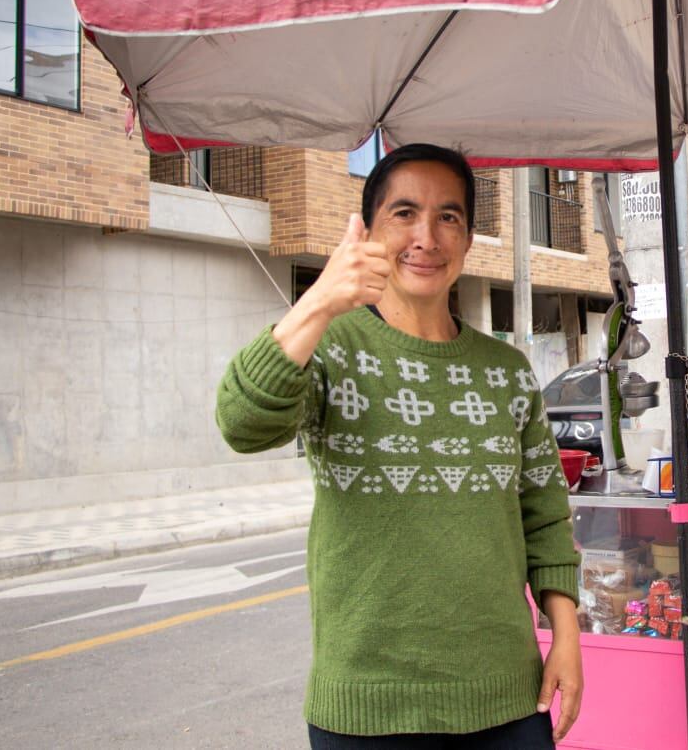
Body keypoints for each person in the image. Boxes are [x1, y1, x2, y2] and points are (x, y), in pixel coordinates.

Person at [216, 144, 582, 749]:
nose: (427, 237)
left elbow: (543, 515)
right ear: (369, 231)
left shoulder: (508, 371)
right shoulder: (331, 349)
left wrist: (565, 637)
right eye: (404, 213)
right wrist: (321, 300)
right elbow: (241, 422)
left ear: (467, 239)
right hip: (368, 707)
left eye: (448, 217)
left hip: (508, 700)